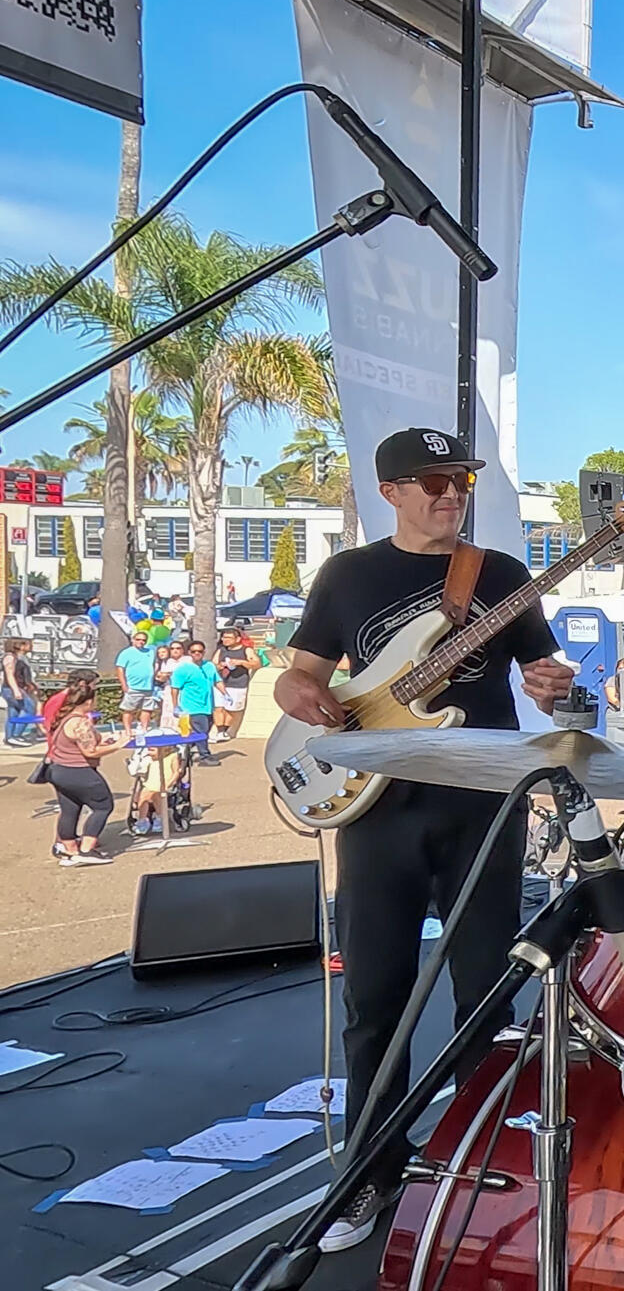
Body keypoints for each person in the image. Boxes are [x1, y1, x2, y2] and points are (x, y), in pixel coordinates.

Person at [275, 428, 573, 1254]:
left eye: (462, 480)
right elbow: (297, 671)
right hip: (375, 808)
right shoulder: (347, 575)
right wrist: (304, 692)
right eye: (435, 481)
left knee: (487, 991)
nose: (452, 494)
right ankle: (371, 1170)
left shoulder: (502, 577)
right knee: (377, 996)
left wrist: (553, 681)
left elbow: (546, 674)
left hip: (483, 801)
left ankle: (477, 1158)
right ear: (392, 491)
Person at [43, 680, 119, 867]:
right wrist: (119, 745)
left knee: (70, 809)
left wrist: (103, 742)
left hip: (58, 769)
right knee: (103, 805)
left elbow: (81, 745)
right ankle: (86, 849)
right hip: (78, 771)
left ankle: (68, 849)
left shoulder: (64, 718)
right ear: (88, 702)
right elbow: (90, 752)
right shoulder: (80, 722)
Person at [169, 641, 220, 763]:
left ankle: (184, 754)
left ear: (204, 652)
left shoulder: (209, 666)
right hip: (192, 706)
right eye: (194, 651)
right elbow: (175, 688)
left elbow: (217, 681)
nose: (197, 653)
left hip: (208, 706)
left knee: (202, 731)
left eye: (200, 651)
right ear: (189, 653)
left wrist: (225, 694)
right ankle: (205, 757)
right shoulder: (183, 670)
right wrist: (176, 706)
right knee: (201, 732)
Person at [212, 626, 258, 741]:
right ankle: (220, 731)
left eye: (228, 637)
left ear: (237, 639)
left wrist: (241, 662)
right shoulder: (221, 650)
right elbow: (213, 665)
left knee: (231, 709)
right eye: (223, 637)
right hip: (220, 683)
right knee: (218, 708)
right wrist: (220, 666)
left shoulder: (246, 650)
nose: (225, 640)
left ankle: (225, 730)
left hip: (238, 683)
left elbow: (257, 664)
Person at [116, 627, 160, 736]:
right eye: (139, 639)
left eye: (144, 640)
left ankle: (144, 729)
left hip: (148, 686)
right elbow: (120, 669)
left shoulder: (150, 652)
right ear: (133, 640)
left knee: (147, 709)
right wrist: (124, 684)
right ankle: (128, 730)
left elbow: (155, 664)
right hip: (133, 686)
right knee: (129, 710)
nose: (141, 642)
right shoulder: (126, 653)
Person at [3, 638, 38, 746]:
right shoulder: (10, 658)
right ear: (20, 645)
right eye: (28, 644)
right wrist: (16, 690)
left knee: (14, 712)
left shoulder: (18, 658)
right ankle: (16, 735)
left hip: (14, 688)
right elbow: (9, 675)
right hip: (12, 689)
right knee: (29, 709)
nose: (31, 646)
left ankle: (10, 736)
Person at [154, 639, 187, 733]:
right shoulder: (168, 661)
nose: (175, 650)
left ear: (182, 650)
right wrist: (161, 676)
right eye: (172, 649)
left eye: (178, 648)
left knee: (182, 711)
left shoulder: (187, 660)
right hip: (169, 689)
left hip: (183, 690)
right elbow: (162, 678)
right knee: (168, 711)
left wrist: (170, 673)